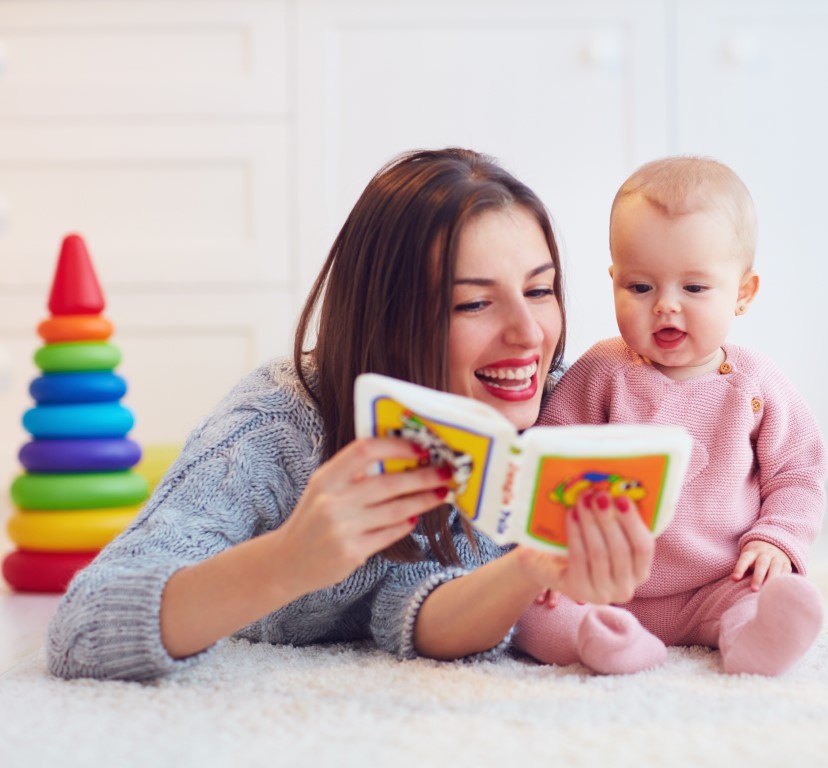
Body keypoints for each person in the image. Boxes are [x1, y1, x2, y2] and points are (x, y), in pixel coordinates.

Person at [46, 148, 656, 681]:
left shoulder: (571, 405)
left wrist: (533, 568)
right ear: (389, 317)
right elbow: (83, 629)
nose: (528, 334)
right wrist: (288, 561)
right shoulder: (279, 427)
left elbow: (416, 610)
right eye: (473, 303)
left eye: (540, 290)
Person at [513, 156, 828, 676]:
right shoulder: (601, 372)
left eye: (695, 289)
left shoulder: (756, 383)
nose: (666, 306)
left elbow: (798, 470)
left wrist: (777, 539)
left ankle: (753, 638)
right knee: (530, 611)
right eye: (641, 287)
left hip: (717, 580)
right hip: (601, 583)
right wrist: (546, 552)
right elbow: (547, 465)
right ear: (614, 280)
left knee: (760, 591)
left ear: (743, 293)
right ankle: (605, 642)